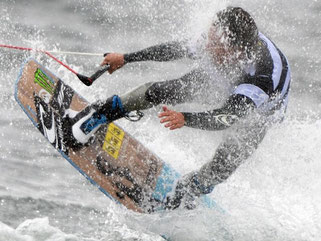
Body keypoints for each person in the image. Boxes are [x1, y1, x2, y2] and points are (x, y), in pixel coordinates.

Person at [68, 7, 291, 209]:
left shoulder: (262, 76)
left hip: (259, 115)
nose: (206, 47)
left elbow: (227, 117)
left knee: (223, 163)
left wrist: (185, 118)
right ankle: (100, 114)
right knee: (165, 90)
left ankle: (186, 193)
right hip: (225, 74)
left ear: (236, 52)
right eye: (209, 38)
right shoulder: (221, 39)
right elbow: (174, 50)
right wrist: (126, 58)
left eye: (213, 46)